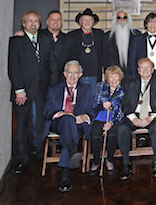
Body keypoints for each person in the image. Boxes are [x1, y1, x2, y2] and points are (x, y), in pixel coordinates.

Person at [8, 10, 57, 174]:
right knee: (21, 125)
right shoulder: (16, 41)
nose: (33, 24)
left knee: (41, 123)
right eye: (30, 21)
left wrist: (53, 86)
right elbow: (13, 67)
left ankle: (39, 152)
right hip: (23, 91)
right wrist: (19, 89)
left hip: (42, 90)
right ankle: (22, 158)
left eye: (36, 21)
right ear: (23, 24)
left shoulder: (45, 40)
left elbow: (52, 64)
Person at [43, 60, 94, 192]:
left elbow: (93, 110)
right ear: (64, 74)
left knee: (69, 126)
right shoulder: (54, 89)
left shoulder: (87, 89)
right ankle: (72, 152)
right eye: (70, 72)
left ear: (81, 74)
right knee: (67, 119)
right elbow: (46, 111)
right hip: (59, 123)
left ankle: (67, 170)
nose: (72, 76)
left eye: (76, 73)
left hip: (78, 123)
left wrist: (85, 117)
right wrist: (59, 113)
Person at [117, 58, 156, 180]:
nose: (145, 70)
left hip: (152, 114)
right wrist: (134, 118)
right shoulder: (129, 84)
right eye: (142, 68)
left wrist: (150, 118)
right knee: (122, 128)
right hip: (134, 114)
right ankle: (125, 163)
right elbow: (126, 104)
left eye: (148, 67)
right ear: (138, 70)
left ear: (152, 70)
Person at [88, 65, 125, 176]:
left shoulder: (123, 90)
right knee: (95, 134)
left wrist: (112, 122)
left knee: (113, 133)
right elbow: (93, 105)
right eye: (111, 76)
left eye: (116, 76)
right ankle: (95, 161)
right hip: (99, 117)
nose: (113, 79)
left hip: (114, 119)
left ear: (120, 77)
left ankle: (109, 159)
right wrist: (102, 106)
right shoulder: (100, 86)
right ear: (107, 78)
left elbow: (123, 110)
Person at [65, 8, 105, 89]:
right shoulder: (71, 36)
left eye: (90, 19)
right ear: (80, 22)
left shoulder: (100, 34)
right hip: (77, 75)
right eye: (84, 19)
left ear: (93, 22)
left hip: (95, 75)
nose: (87, 22)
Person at [128, 13, 156, 80]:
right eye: (150, 22)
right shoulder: (137, 40)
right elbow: (132, 60)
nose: (152, 25)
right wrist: (134, 77)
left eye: (155, 22)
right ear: (146, 24)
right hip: (143, 74)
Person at [104, 10, 141, 81]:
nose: (122, 20)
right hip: (114, 77)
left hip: (133, 76)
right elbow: (105, 58)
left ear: (128, 19)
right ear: (115, 19)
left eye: (124, 17)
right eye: (119, 17)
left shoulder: (136, 35)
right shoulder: (107, 37)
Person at [40, 10, 68, 83]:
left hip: (61, 82)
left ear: (61, 22)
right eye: (53, 19)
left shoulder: (68, 39)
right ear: (47, 22)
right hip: (41, 82)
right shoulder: (38, 36)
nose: (56, 22)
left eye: (58, 19)